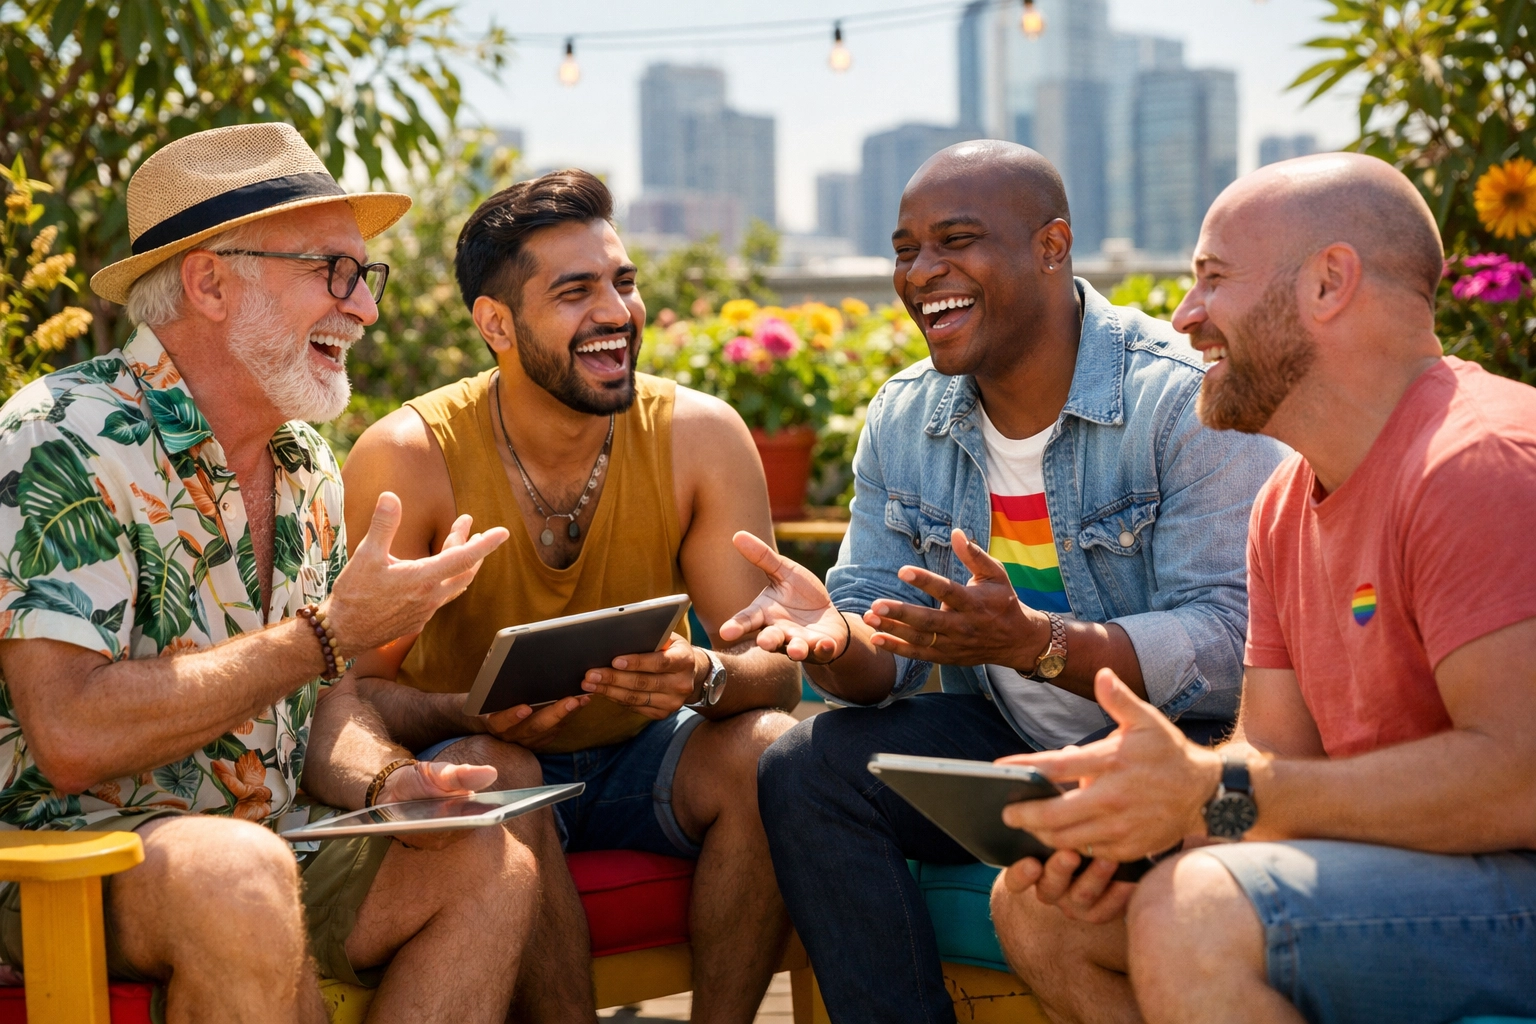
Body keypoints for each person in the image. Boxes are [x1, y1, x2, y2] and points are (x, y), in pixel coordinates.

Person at [0, 122, 555, 1023]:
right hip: (60, 860)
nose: (365, 308)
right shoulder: (61, 436)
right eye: (332, 272)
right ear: (210, 281)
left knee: (484, 857)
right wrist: (329, 633)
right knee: (241, 872)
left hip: (268, 841)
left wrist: (388, 782)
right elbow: (68, 732)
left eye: (364, 276)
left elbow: (321, 701)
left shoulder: (306, 464)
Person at [725, 140, 1286, 1022]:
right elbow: (882, 645)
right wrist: (834, 644)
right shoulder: (906, 416)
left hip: (1185, 752)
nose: (922, 272)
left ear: (1052, 247)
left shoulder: (1178, 399)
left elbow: (1232, 642)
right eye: (908, 248)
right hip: (1016, 746)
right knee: (806, 765)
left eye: (956, 240)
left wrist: (1041, 644)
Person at [988, 152, 1536, 1024]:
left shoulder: (1478, 463)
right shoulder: (1284, 501)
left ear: (1329, 283)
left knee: (1195, 912)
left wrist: (1213, 793)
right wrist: (1140, 807)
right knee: (1040, 905)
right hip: (1407, 867)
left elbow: (1521, 779)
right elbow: (1277, 756)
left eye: (1213, 279)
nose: (1185, 315)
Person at [340, 169, 803, 1023]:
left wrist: (702, 675)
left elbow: (775, 676)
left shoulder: (698, 436)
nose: (615, 314)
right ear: (497, 325)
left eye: (622, 283)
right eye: (576, 291)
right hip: (477, 762)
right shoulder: (409, 456)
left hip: (641, 756)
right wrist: (465, 714)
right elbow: (350, 697)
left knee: (770, 750)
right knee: (502, 772)